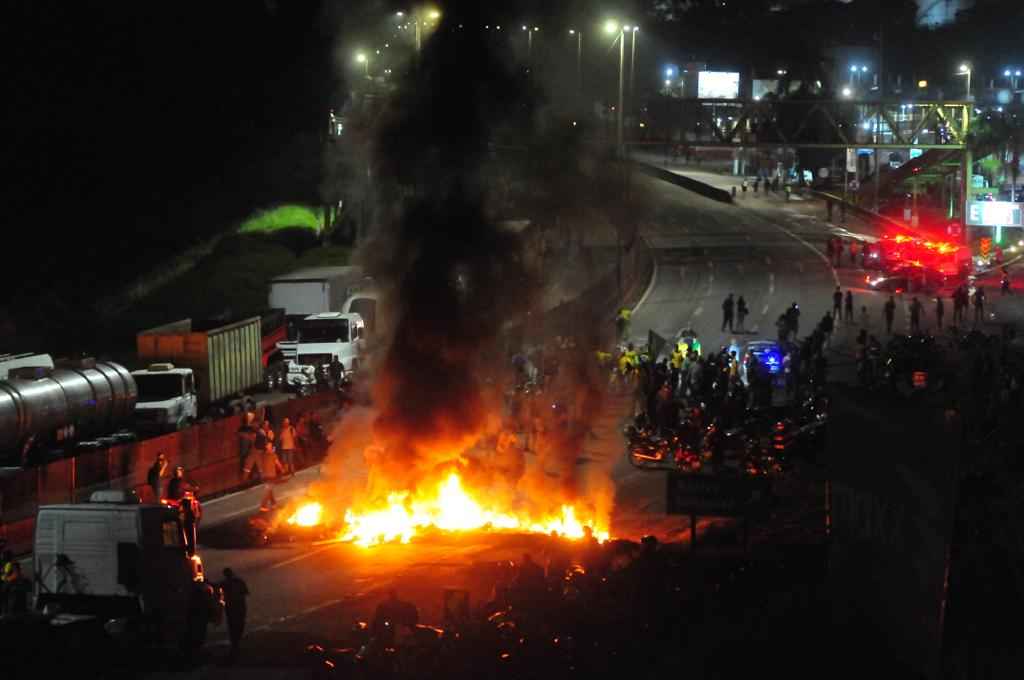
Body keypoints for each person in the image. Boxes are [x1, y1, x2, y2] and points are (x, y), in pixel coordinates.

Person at [220, 567, 250, 661]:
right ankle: (236, 643)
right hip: (239, 606)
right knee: (238, 624)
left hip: (232, 606)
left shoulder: (225, 583)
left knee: (233, 625)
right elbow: (246, 592)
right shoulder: (238, 582)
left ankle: (235, 643)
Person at [259, 442, 283, 511]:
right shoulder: (272, 455)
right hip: (270, 475)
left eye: (271, 445)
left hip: (266, 475)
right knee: (268, 490)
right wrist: (282, 469)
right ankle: (263, 506)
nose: (270, 446)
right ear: (266, 446)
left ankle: (273, 504)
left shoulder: (263, 455)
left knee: (270, 489)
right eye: (269, 445)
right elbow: (277, 463)